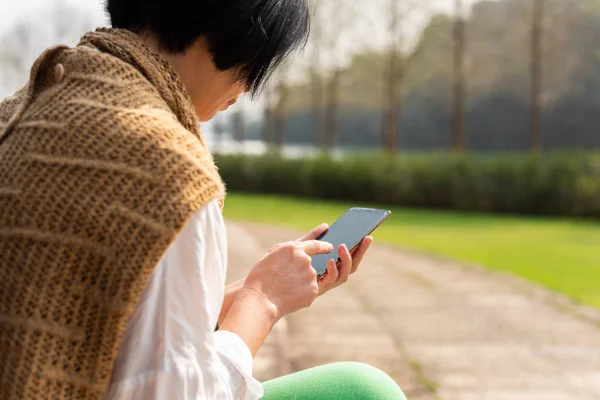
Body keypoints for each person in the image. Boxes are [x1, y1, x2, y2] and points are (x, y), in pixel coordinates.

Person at [0, 0, 406, 399]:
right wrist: (263, 302)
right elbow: (176, 391)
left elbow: (106, 319)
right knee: (365, 391)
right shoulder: (165, 170)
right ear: (233, 26)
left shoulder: (28, 106)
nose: (247, 89)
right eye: (255, 64)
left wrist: (254, 284)